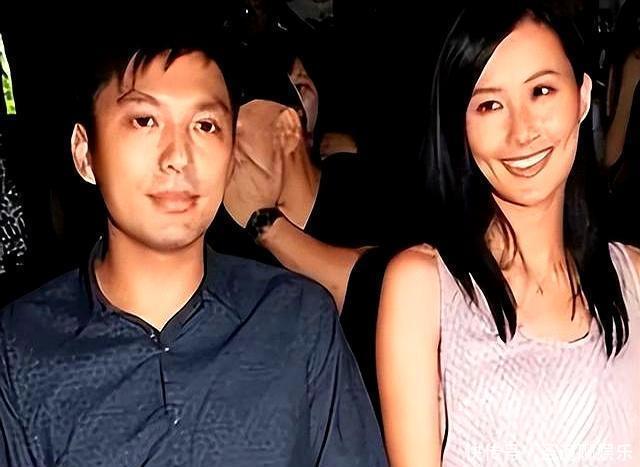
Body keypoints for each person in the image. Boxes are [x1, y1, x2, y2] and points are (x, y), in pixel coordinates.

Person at [0, 33, 387, 466]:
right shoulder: (19, 349)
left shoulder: (297, 320)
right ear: (85, 152)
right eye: (145, 120)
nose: (178, 156)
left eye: (205, 126)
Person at [376, 1, 640, 465]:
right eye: (490, 104)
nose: (522, 133)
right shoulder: (424, 287)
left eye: (541, 91)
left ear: (582, 97)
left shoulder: (634, 276)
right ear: (460, 123)